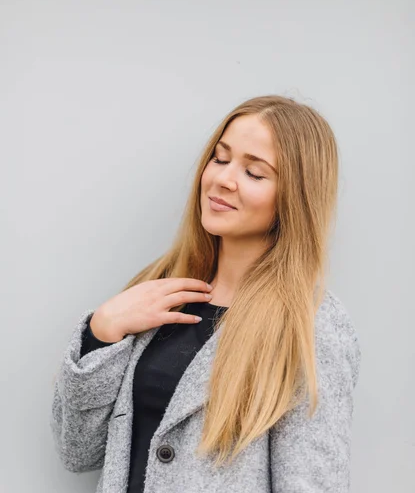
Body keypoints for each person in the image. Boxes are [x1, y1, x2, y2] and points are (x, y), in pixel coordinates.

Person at [50, 95, 361, 493]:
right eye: (220, 158)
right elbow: (77, 453)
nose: (223, 179)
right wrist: (101, 332)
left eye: (254, 172)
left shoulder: (309, 323)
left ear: (294, 198)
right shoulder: (158, 290)